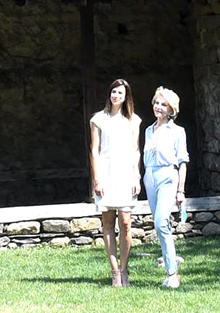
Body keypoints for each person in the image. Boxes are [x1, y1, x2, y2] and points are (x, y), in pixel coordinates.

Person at [88, 78, 141, 286]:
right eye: (114, 92)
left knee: (126, 222)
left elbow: (136, 150)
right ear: (109, 94)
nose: (116, 96)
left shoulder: (133, 120)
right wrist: (97, 178)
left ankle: (125, 268)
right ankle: (115, 272)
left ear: (126, 96)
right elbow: (94, 150)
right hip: (106, 173)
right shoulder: (98, 119)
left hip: (126, 174)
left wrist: (136, 175)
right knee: (108, 223)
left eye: (120, 93)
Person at [143, 86, 189, 289]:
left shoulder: (178, 131)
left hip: (168, 176)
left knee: (162, 223)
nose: (159, 107)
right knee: (158, 225)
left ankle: (173, 274)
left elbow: (182, 162)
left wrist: (181, 190)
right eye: (156, 103)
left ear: (171, 110)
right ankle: (169, 268)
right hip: (149, 176)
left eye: (164, 105)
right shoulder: (148, 130)